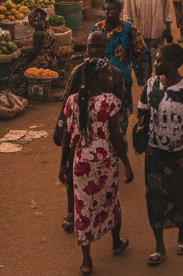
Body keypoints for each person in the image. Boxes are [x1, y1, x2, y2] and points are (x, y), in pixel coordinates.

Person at [59, 58, 132, 274]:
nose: (112, 78)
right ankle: (116, 243)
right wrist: (127, 163)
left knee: (83, 208)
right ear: (97, 78)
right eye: (108, 74)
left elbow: (67, 135)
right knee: (111, 202)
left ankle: (87, 261)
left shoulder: (73, 101)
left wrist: (63, 164)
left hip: (81, 161)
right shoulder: (110, 101)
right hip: (105, 161)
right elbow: (117, 136)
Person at [135, 43, 183, 265]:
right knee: (154, 196)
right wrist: (140, 126)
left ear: (172, 64)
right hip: (155, 152)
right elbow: (143, 111)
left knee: (180, 194)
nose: (155, 63)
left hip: (181, 154)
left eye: (159, 60)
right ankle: (159, 247)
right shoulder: (150, 85)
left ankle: (182, 233)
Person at [58, 31, 127, 235]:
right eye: (90, 47)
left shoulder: (114, 73)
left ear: (105, 47)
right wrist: (60, 127)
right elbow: (66, 102)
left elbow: (123, 102)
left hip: (105, 134)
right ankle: (73, 213)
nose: (93, 51)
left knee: (105, 183)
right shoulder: (78, 72)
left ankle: (102, 218)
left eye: (97, 46)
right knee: (73, 173)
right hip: (80, 136)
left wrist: (120, 134)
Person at [91, 0, 150, 116]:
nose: (110, 13)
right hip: (99, 79)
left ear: (119, 10)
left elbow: (142, 52)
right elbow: (89, 50)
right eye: (107, 10)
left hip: (122, 79)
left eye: (113, 9)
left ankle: (121, 134)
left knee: (121, 110)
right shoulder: (97, 29)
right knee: (100, 111)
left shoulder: (129, 29)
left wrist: (142, 75)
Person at [25, 7, 62, 72]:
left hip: (44, 59)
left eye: (34, 21)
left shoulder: (38, 34)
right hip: (52, 58)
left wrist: (26, 62)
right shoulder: (49, 30)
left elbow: (37, 50)